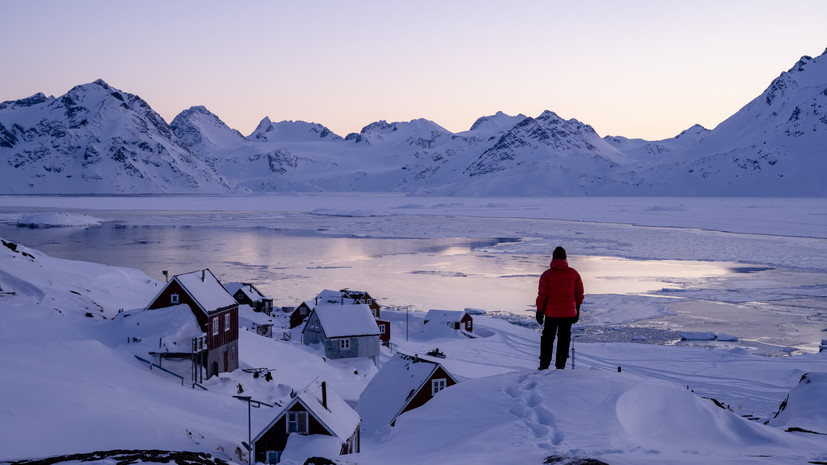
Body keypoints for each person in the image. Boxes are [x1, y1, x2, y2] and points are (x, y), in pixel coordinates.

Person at [536, 246, 584, 370]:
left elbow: (542, 296)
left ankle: (544, 364)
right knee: (564, 337)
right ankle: (561, 365)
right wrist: (577, 309)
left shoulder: (547, 275)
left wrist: (540, 312)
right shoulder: (574, 273)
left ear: (553, 257)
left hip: (551, 314)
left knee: (548, 337)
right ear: (565, 258)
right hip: (568, 314)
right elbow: (579, 293)